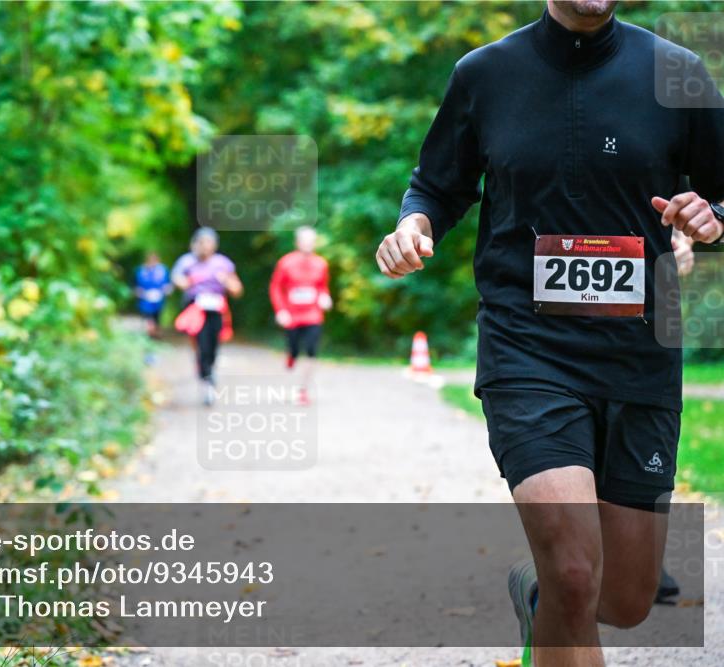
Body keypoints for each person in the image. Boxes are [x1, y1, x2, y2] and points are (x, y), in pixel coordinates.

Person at [374, 1, 724, 665]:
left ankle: (538, 597)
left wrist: (712, 216)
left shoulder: (677, 75)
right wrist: (412, 228)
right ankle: (556, 589)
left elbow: (721, 191)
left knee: (625, 598)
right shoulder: (485, 74)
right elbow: (435, 187)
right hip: (527, 350)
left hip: (640, 357)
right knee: (575, 573)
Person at [172, 227, 243, 405]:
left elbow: (237, 289)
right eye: (201, 242)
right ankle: (205, 375)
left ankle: (208, 371)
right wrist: (187, 282)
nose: (204, 246)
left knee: (213, 345)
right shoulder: (187, 261)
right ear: (195, 244)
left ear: (215, 245)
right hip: (195, 309)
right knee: (201, 343)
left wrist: (225, 281)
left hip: (216, 309)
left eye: (208, 242)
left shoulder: (223, 263)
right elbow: (177, 279)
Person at [269, 226, 332, 405]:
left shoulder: (321, 264)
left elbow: (322, 287)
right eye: (305, 241)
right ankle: (291, 361)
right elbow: (276, 288)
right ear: (297, 242)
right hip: (292, 316)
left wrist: (325, 297)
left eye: (311, 241)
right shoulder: (286, 262)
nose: (308, 244)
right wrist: (280, 310)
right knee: (294, 351)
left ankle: (303, 391)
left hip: (313, 315)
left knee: (311, 351)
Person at [134, 251, 172, 338]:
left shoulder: (163, 270)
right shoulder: (141, 271)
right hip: (145, 299)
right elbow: (136, 285)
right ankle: (150, 332)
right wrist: (138, 292)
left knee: (157, 316)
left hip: (159, 298)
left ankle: (156, 332)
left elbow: (167, 284)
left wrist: (167, 290)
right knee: (148, 317)